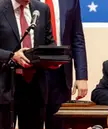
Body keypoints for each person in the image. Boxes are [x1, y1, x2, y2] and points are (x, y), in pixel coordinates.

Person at [0, 0, 55, 129]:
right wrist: (12, 56)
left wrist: (53, 57)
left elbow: (49, 42)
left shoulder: (42, 9)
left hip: (35, 85)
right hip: (5, 84)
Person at [40, 0, 88, 129]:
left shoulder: (70, 1)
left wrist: (81, 76)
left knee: (59, 123)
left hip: (61, 72)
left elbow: (77, 38)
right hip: (35, 70)